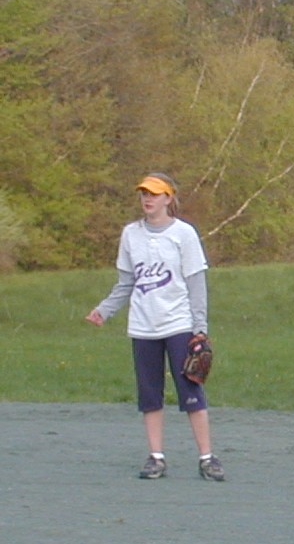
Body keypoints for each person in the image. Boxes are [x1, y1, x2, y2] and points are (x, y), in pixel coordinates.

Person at [85, 173, 224, 481]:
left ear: (169, 198)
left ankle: (206, 457)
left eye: (155, 194)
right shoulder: (131, 234)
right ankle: (156, 457)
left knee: (191, 390)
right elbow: (127, 282)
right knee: (150, 394)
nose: (148, 199)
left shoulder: (183, 234)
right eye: (144, 194)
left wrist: (199, 328)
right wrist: (104, 310)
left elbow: (195, 284)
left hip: (178, 324)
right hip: (143, 325)